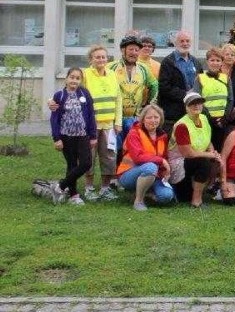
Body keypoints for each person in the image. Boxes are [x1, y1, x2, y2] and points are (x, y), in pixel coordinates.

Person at [48, 67, 97, 206]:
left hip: (82, 135)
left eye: (77, 78)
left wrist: (93, 135)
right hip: (66, 136)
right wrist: (56, 138)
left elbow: (91, 115)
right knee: (71, 164)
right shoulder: (59, 96)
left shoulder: (85, 93)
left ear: (81, 81)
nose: (74, 80)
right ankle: (74, 195)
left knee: (86, 163)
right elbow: (54, 118)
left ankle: (60, 186)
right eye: (72, 77)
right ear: (66, 78)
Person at [81, 44, 122, 201]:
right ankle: (89, 187)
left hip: (109, 125)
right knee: (89, 156)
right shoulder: (85, 75)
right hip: (90, 126)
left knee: (109, 156)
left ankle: (105, 188)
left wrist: (117, 122)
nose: (101, 59)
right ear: (91, 59)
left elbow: (118, 99)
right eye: (97, 57)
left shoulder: (112, 74)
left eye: (103, 57)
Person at [116, 104, 175, 211]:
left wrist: (165, 172)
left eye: (156, 117)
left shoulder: (163, 136)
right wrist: (161, 160)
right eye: (149, 117)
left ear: (160, 119)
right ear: (143, 119)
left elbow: (165, 157)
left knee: (167, 196)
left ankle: (145, 193)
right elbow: (138, 158)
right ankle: (138, 201)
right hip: (128, 174)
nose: (153, 120)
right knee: (150, 167)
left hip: (154, 174)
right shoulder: (134, 133)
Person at [167, 92, 221, 208]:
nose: (196, 106)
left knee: (214, 160)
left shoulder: (204, 118)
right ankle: (196, 201)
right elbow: (188, 153)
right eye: (192, 104)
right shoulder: (182, 125)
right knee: (204, 163)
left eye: (199, 103)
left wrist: (213, 152)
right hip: (179, 163)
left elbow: (207, 140)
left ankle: (200, 193)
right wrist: (209, 155)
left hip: (193, 160)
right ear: (186, 107)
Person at [109, 34, 158, 159]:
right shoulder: (110, 67)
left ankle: (128, 174)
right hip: (115, 117)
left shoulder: (143, 69)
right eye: (130, 49)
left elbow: (154, 86)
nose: (134, 53)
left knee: (133, 147)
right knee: (116, 149)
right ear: (122, 50)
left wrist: (149, 105)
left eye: (137, 50)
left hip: (134, 117)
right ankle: (116, 175)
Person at [158, 30, 203, 133]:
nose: (185, 43)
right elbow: (164, 87)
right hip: (173, 114)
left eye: (187, 41)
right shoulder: (168, 62)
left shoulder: (196, 62)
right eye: (182, 41)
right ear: (176, 43)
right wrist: (185, 94)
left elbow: (201, 84)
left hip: (193, 111)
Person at [194, 47, 234, 152]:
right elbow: (197, 100)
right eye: (212, 60)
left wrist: (225, 117)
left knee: (220, 150)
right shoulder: (200, 78)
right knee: (205, 149)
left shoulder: (226, 78)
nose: (215, 63)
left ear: (221, 62)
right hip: (205, 120)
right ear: (207, 62)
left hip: (222, 122)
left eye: (218, 60)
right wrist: (209, 118)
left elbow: (230, 99)